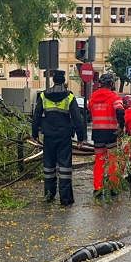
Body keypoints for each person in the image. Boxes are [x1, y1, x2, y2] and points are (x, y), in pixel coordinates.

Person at [32, 70, 84, 206]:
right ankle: (65, 199)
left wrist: (34, 134)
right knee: (65, 168)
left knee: (49, 167)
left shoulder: (43, 95)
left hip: (48, 136)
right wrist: (81, 137)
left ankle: (49, 195)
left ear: (53, 80)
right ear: (64, 81)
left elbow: (36, 115)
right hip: (64, 137)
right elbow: (78, 119)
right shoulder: (69, 97)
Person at [88, 73, 125, 196]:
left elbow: (90, 110)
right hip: (110, 132)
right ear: (111, 84)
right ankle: (113, 187)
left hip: (97, 132)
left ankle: (98, 188)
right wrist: (121, 126)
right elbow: (120, 110)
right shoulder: (114, 97)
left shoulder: (93, 97)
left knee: (99, 160)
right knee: (113, 159)